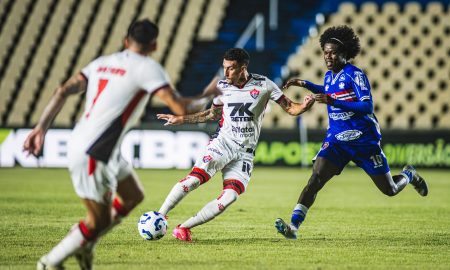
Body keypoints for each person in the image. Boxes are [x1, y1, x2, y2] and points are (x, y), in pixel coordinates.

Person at [24, 19, 216, 270]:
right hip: (94, 151)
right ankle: (49, 262)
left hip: (98, 146)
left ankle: (86, 245)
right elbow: (180, 107)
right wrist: (208, 94)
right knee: (97, 222)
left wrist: (40, 128)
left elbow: (62, 90)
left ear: (126, 41)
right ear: (155, 45)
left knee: (132, 196)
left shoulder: (102, 63)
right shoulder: (148, 68)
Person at [274, 25, 429, 240]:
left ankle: (409, 174)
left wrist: (333, 101)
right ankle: (293, 226)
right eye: (325, 52)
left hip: (363, 140)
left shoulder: (355, 75)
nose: (328, 56)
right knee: (316, 178)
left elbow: (367, 107)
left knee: (390, 190)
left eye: (333, 52)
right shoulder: (329, 76)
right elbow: (328, 91)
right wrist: (305, 84)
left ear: (345, 53)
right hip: (337, 140)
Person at [156, 48, 315, 242]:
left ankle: (184, 228)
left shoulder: (265, 85)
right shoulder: (222, 87)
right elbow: (211, 115)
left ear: (243, 68)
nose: (226, 73)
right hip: (222, 143)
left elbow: (290, 107)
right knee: (195, 179)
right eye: (224, 68)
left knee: (230, 196)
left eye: (230, 68)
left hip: (245, 153)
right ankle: (159, 215)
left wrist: (304, 106)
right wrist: (180, 119)